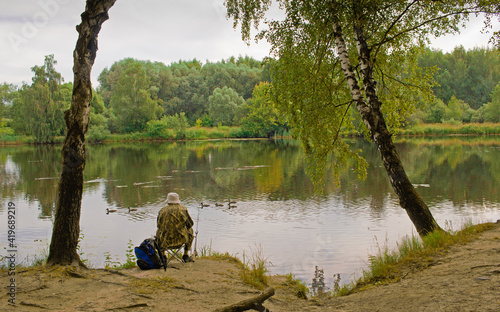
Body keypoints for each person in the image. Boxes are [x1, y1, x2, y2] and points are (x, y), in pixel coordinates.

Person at [155, 192, 194, 262]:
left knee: (158, 231)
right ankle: (185, 255)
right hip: (181, 239)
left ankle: (163, 256)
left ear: (168, 201)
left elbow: (159, 225)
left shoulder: (162, 210)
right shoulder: (183, 209)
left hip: (166, 240)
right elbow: (190, 224)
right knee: (190, 230)